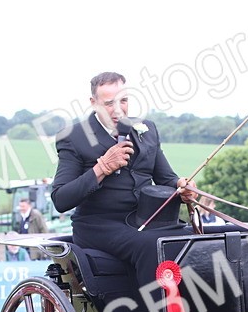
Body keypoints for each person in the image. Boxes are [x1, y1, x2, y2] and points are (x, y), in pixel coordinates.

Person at [51, 71, 205, 292]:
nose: (118, 110)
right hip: (99, 225)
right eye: (108, 103)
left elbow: (166, 178)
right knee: (152, 246)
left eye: (123, 101)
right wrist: (102, 168)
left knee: (195, 239)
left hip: (146, 220)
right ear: (93, 103)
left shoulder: (147, 129)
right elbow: (61, 198)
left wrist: (182, 188)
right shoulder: (73, 137)